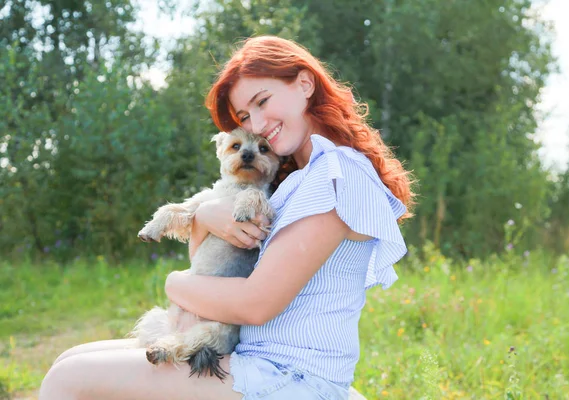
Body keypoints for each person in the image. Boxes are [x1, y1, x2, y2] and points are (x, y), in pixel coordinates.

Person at [39, 35, 415, 400]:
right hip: (257, 358)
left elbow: (254, 303)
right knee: (69, 360)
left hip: (292, 377)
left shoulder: (336, 174)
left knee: (67, 382)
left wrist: (173, 284)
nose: (256, 123)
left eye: (263, 101)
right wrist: (204, 215)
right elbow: (209, 265)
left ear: (304, 83)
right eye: (245, 116)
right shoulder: (295, 180)